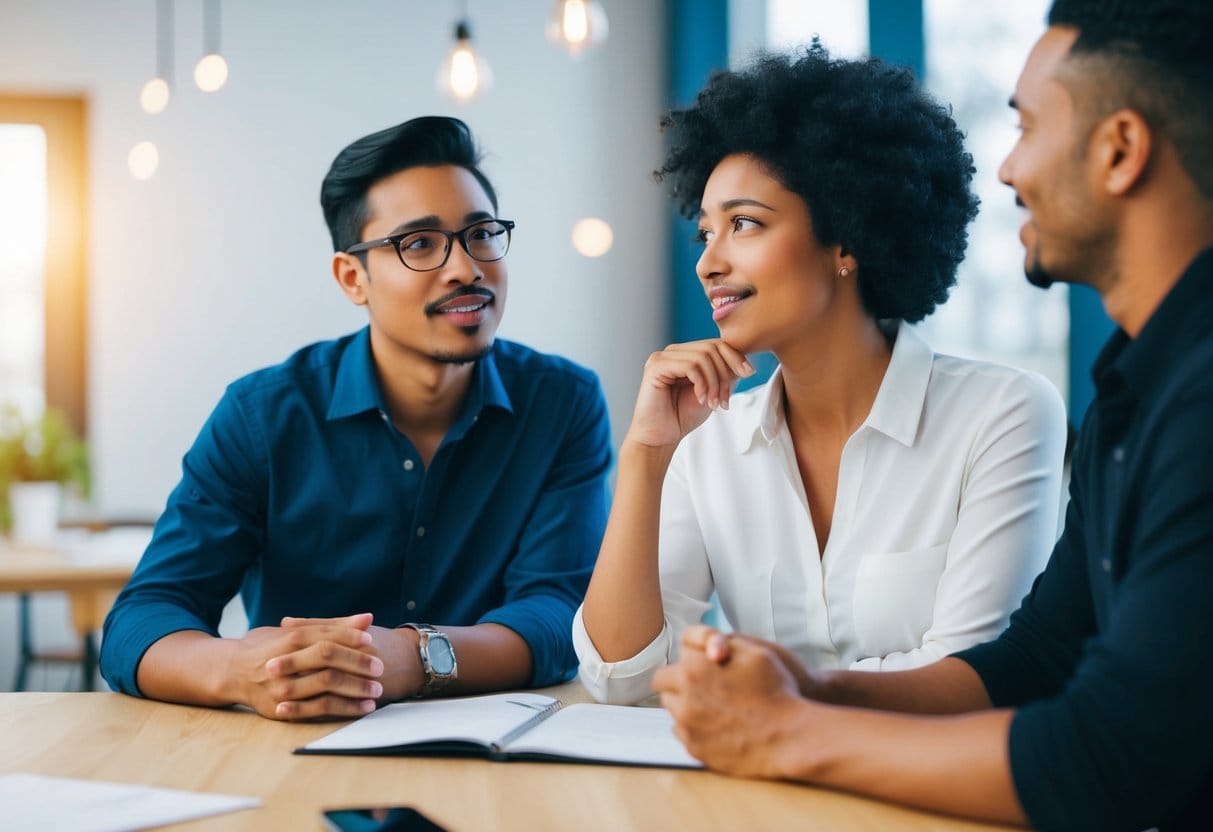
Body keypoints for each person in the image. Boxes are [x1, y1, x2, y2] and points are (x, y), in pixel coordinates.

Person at [654, 1, 1213, 829]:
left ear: (1119, 150)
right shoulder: (1132, 398)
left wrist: (784, 732)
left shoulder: (1194, 400)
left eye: (1026, 128)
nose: (1007, 170)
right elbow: (1033, 660)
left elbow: (1108, 757)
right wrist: (809, 687)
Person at [573, 44, 1067, 705]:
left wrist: (771, 697)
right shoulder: (707, 443)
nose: (708, 263)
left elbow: (971, 673)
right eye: (705, 233)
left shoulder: (1003, 414)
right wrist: (644, 454)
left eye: (743, 224)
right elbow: (621, 680)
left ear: (845, 239)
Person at [100, 116, 612, 721]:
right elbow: (142, 621)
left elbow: (557, 614)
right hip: (294, 743)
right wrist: (241, 669)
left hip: (494, 745)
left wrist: (413, 657)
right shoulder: (262, 416)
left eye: (480, 234)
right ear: (352, 278)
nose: (465, 268)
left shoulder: (563, 402)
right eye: (420, 244)